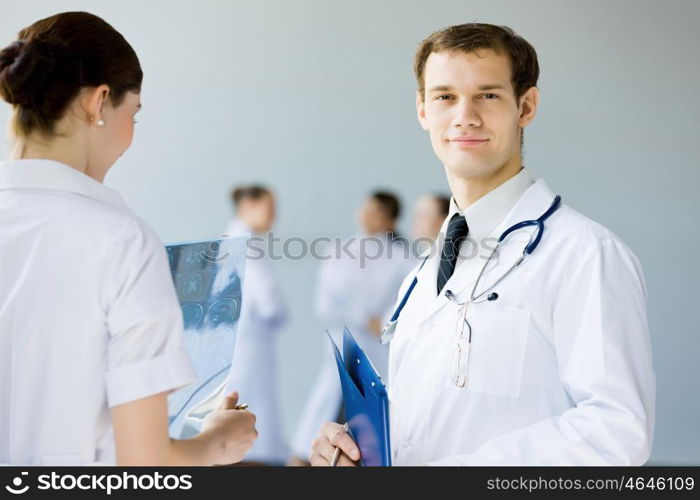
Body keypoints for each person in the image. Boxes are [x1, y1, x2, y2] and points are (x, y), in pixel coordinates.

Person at [310, 23, 655, 466]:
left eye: (488, 95)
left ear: (525, 106)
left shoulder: (585, 254)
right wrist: (355, 451)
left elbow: (616, 431)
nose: (464, 116)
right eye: (445, 97)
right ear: (422, 110)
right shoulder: (423, 272)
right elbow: (436, 422)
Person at [0, 11, 257, 466]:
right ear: (99, 102)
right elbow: (144, 462)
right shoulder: (119, 242)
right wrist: (219, 441)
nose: (129, 137)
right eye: (133, 114)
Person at [288, 191, 413, 465]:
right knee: (326, 402)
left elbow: (407, 301)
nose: (367, 215)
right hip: (343, 339)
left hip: (380, 346)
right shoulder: (339, 250)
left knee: (375, 411)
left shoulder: (403, 257)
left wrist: (381, 322)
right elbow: (325, 304)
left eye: (376, 211)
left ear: (390, 219)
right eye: (365, 209)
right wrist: (362, 317)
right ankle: (301, 458)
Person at [223, 185, 289, 465]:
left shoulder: (234, 239)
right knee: (251, 418)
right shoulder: (245, 244)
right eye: (269, 207)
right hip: (249, 346)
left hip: (242, 343)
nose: (274, 215)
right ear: (248, 205)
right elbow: (270, 303)